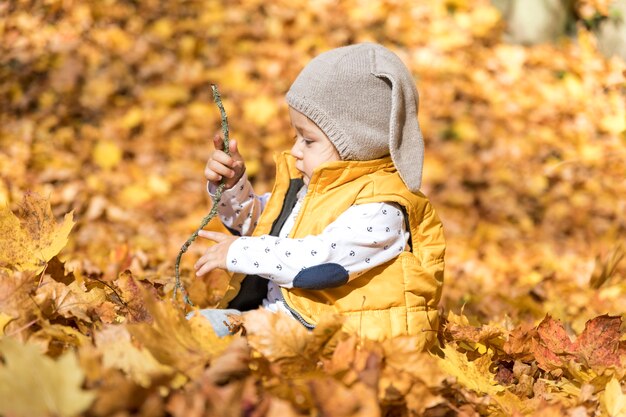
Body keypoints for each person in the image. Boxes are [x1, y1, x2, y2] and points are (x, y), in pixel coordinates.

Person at [192, 43, 445, 347]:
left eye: (309, 141)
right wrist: (232, 187)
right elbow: (265, 226)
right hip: (284, 326)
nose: (295, 150)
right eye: (295, 136)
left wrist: (241, 252)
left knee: (205, 336)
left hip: (338, 346)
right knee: (197, 329)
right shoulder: (314, 189)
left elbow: (320, 264)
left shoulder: (382, 208)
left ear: (357, 143)